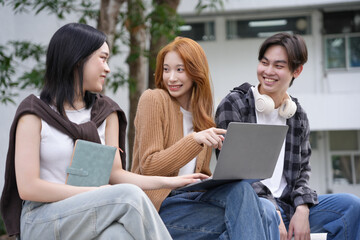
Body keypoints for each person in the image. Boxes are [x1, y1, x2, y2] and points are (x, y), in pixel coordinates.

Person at [0, 23, 207, 240]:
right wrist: (99, 194)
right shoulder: (35, 114)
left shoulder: (106, 113)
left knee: (119, 235)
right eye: (103, 58)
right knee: (128, 197)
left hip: (92, 210)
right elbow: (28, 188)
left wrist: (170, 182)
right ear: (77, 59)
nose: (107, 68)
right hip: (42, 218)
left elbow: (115, 175)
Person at [131, 36, 280, 240]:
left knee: (264, 207)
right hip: (158, 207)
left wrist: (211, 178)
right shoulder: (153, 99)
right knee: (251, 215)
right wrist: (194, 140)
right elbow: (148, 166)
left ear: (195, 72)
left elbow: (198, 174)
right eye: (166, 69)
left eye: (180, 70)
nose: (171, 77)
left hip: (192, 199)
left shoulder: (203, 117)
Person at [215, 32, 360, 240]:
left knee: (350, 207)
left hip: (288, 205)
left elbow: (303, 172)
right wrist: (273, 212)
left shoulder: (297, 114)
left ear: (297, 71)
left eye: (279, 66)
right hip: (252, 206)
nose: (268, 71)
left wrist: (303, 208)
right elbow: (237, 175)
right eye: (264, 63)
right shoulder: (234, 104)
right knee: (265, 211)